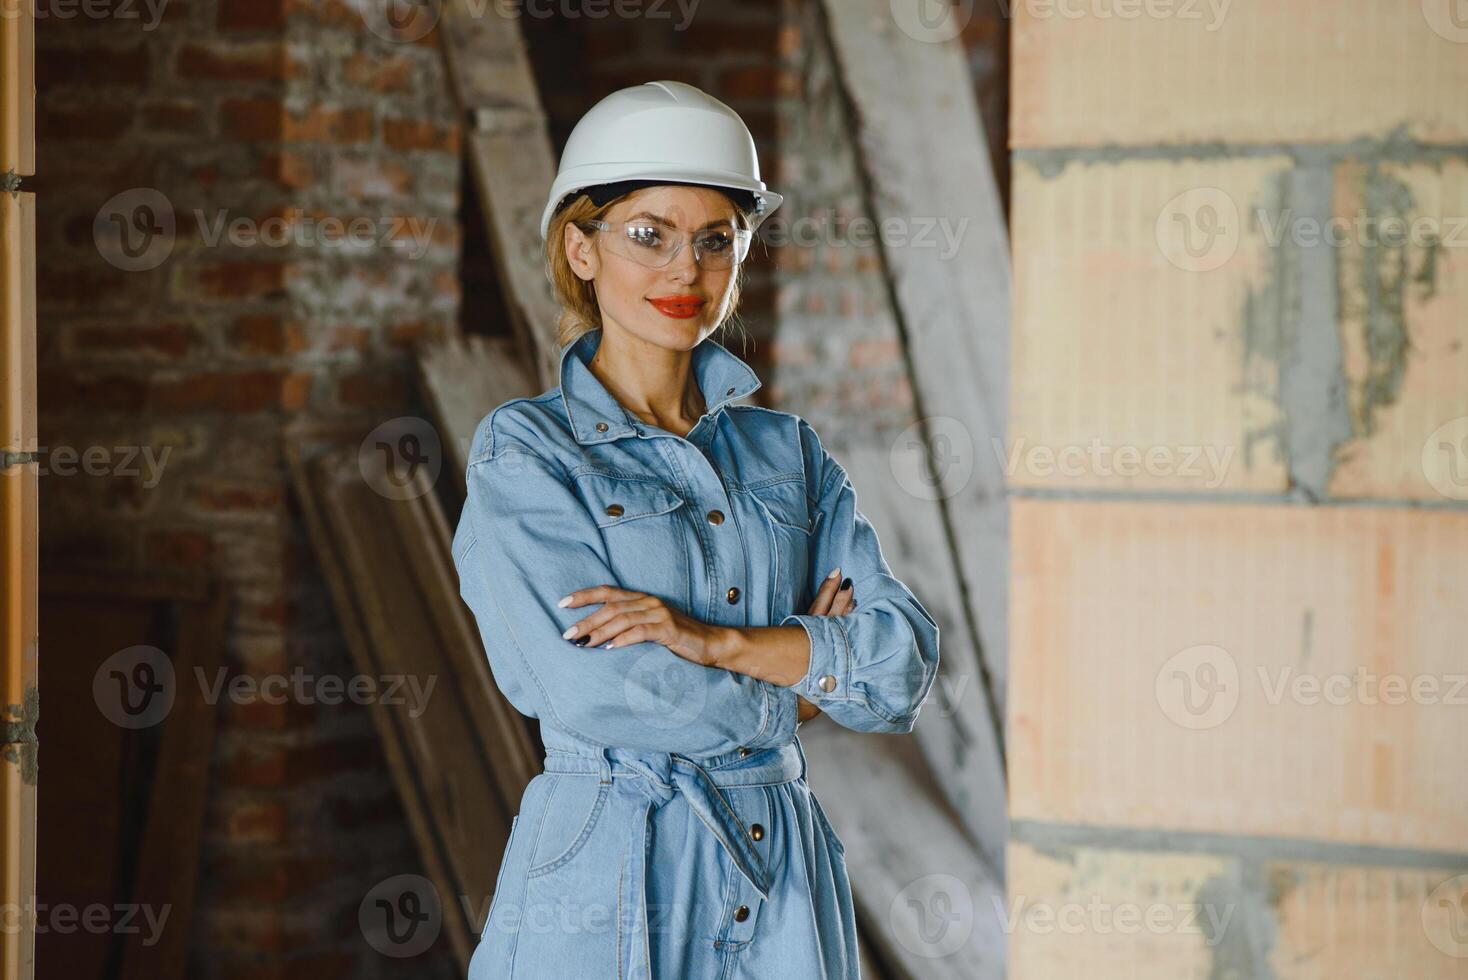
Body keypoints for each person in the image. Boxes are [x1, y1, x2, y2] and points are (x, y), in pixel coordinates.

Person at [452, 79, 940, 980]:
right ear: (581, 248)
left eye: (716, 241)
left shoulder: (786, 452)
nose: (687, 271)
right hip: (611, 853)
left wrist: (707, 639)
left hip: (780, 860)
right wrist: (799, 679)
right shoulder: (525, 453)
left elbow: (899, 664)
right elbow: (595, 692)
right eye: (649, 235)